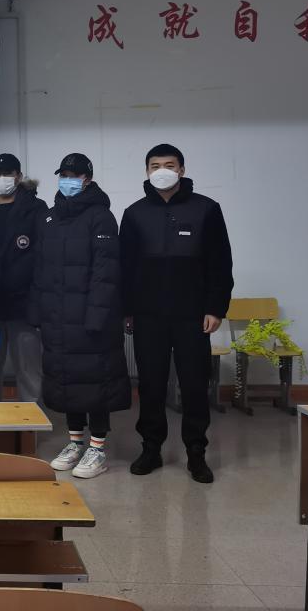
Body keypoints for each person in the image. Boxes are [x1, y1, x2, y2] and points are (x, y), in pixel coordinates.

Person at [121, 144, 234, 484]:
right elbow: (125, 267)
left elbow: (220, 263)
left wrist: (215, 308)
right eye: (155, 165)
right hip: (148, 315)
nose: (162, 171)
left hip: (193, 315)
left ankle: (196, 453)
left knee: (195, 385)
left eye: (169, 165)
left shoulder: (206, 209)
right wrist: (127, 310)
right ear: (146, 171)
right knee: (151, 385)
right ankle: (151, 449)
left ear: (182, 170)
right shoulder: (135, 213)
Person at [28, 153, 130, 479]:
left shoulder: (101, 217)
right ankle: (75, 442)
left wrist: (97, 316)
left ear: (87, 179)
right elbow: (39, 269)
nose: (67, 180)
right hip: (57, 318)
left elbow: (106, 272)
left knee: (95, 381)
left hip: (91, 318)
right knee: (67, 381)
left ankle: (97, 448)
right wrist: (38, 312)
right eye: (63, 175)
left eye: (74, 175)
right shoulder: (48, 218)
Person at [0, 153, 47, 403]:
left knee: (28, 369)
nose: (2, 178)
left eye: (8, 173)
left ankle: (32, 421)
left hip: (24, 305)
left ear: (19, 176)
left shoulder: (36, 208)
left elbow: (43, 256)